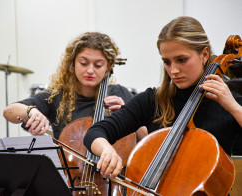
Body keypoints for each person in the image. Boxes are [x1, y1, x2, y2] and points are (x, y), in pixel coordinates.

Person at [83, 16, 242, 179]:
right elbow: (95, 132)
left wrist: (234, 107)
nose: (173, 70)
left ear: (204, 54)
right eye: (167, 62)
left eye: (181, 60)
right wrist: (107, 150)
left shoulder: (229, 101)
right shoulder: (153, 100)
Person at [3, 32, 147, 140]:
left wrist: (127, 116)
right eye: (83, 63)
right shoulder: (57, 96)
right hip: (70, 177)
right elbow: (9, 111)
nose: (90, 70)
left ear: (108, 66)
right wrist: (30, 112)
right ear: (73, 63)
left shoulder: (120, 93)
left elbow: (145, 138)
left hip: (111, 178)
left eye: (98, 65)